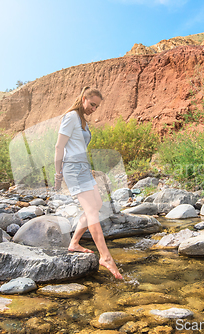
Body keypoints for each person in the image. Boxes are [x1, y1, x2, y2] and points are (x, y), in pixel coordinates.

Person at [54, 86, 123, 280]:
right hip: (73, 169)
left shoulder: (82, 120)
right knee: (92, 210)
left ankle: (74, 243)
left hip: (84, 168)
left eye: (97, 106)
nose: (94, 108)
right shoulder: (71, 117)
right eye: (92, 104)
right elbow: (59, 146)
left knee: (98, 205)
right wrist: (58, 173)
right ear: (83, 98)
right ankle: (106, 257)